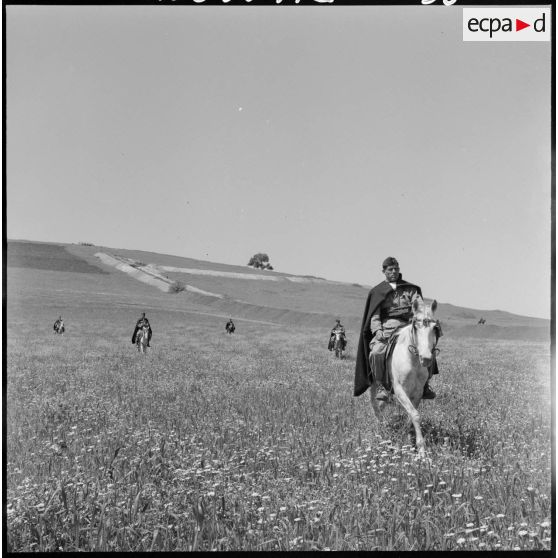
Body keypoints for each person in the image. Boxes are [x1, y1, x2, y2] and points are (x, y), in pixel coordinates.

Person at [354, 257, 438, 401]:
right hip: (388, 327)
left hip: (409, 325)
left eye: (396, 269)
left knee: (428, 348)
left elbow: (418, 305)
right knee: (376, 352)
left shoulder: (410, 289)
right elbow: (374, 315)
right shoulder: (377, 291)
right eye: (390, 269)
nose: (394, 272)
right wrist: (377, 331)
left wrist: (421, 314)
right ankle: (381, 385)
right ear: (384, 271)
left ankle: (425, 385)